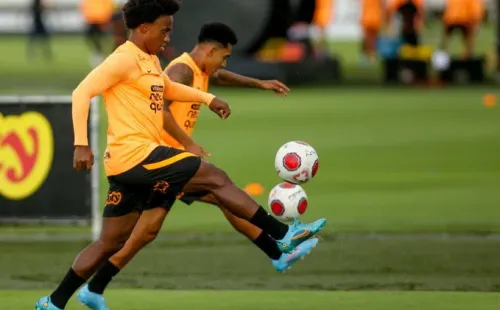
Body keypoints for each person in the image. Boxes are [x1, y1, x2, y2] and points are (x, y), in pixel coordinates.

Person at [35, 1, 326, 309]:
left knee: (112, 241)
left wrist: (209, 98)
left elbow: (169, 89)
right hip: (137, 156)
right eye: (164, 30)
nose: (168, 38)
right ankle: (282, 235)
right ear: (144, 28)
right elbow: (81, 92)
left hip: (132, 164)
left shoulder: (148, 61)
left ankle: (54, 302)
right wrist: (81, 144)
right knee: (215, 178)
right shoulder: (122, 59)